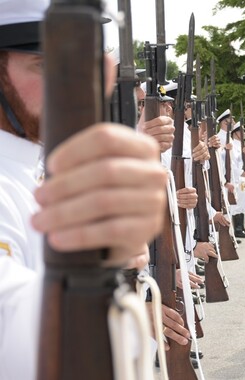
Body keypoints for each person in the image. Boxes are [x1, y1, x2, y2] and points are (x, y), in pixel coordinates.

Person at [0, 1, 168, 378]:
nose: (75, 88)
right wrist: (87, 271)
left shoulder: (35, 167)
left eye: (81, 69)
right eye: (45, 66)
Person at [230, 120, 245, 238]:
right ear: (235, 133)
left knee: (244, 202)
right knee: (237, 203)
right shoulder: (233, 146)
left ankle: (242, 226)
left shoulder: (243, 145)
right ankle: (237, 229)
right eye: (241, 131)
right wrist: (242, 173)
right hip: (239, 178)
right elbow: (233, 163)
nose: (244, 133)